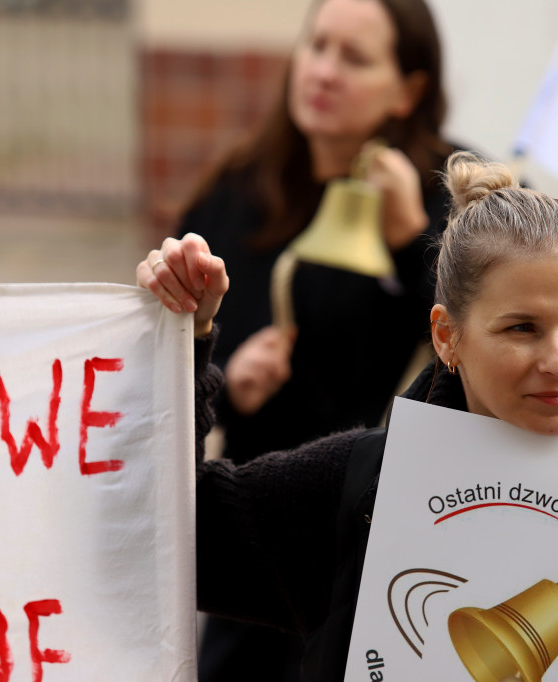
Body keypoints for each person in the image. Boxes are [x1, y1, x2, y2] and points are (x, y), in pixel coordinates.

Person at [137, 152, 558, 681]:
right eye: (522, 329)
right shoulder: (364, 488)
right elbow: (173, 535)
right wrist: (182, 345)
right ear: (447, 336)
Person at [174, 0, 453, 677]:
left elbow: (489, 343)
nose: (324, 72)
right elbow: (170, 357)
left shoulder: (450, 197)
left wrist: (413, 241)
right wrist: (227, 381)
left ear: (408, 89)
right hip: (245, 519)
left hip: (363, 516)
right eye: (317, 45)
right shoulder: (238, 191)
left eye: (354, 58)